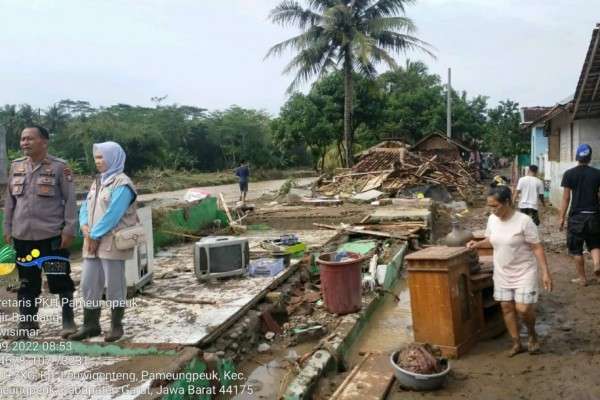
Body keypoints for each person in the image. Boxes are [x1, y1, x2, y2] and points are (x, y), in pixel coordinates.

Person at [3, 125, 77, 339]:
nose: (24, 142)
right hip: (23, 237)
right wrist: (7, 228)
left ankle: (68, 320)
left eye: (29, 139)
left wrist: (69, 228)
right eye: (22, 139)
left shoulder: (59, 167)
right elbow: (10, 201)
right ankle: (27, 322)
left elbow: (70, 201)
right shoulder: (16, 167)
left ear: (44, 142)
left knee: (59, 278)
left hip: (51, 237)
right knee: (27, 282)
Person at [467, 186, 552, 357]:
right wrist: (476, 244)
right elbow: (491, 239)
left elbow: (536, 247)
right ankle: (516, 343)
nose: (492, 210)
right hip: (502, 272)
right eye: (490, 206)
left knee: (523, 308)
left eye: (495, 206)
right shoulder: (492, 219)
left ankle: (532, 334)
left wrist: (545, 273)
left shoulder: (524, 221)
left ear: (507, 202)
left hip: (524, 271)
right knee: (506, 307)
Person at [69, 142, 138, 342]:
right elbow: (84, 207)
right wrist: (84, 227)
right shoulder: (98, 181)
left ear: (114, 158)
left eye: (102, 157)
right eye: (96, 157)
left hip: (111, 242)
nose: (98, 161)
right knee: (89, 283)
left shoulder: (122, 184)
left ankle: (116, 326)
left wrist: (94, 235)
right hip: (91, 241)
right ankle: (91, 324)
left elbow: (113, 214)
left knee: (115, 284)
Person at [559, 143, 600, 286]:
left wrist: (562, 217)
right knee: (595, 244)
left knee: (576, 249)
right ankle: (596, 265)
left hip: (576, 217)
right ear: (589, 158)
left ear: (577, 157)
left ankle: (582, 279)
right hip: (594, 215)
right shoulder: (597, 174)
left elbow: (566, 198)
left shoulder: (569, 174)